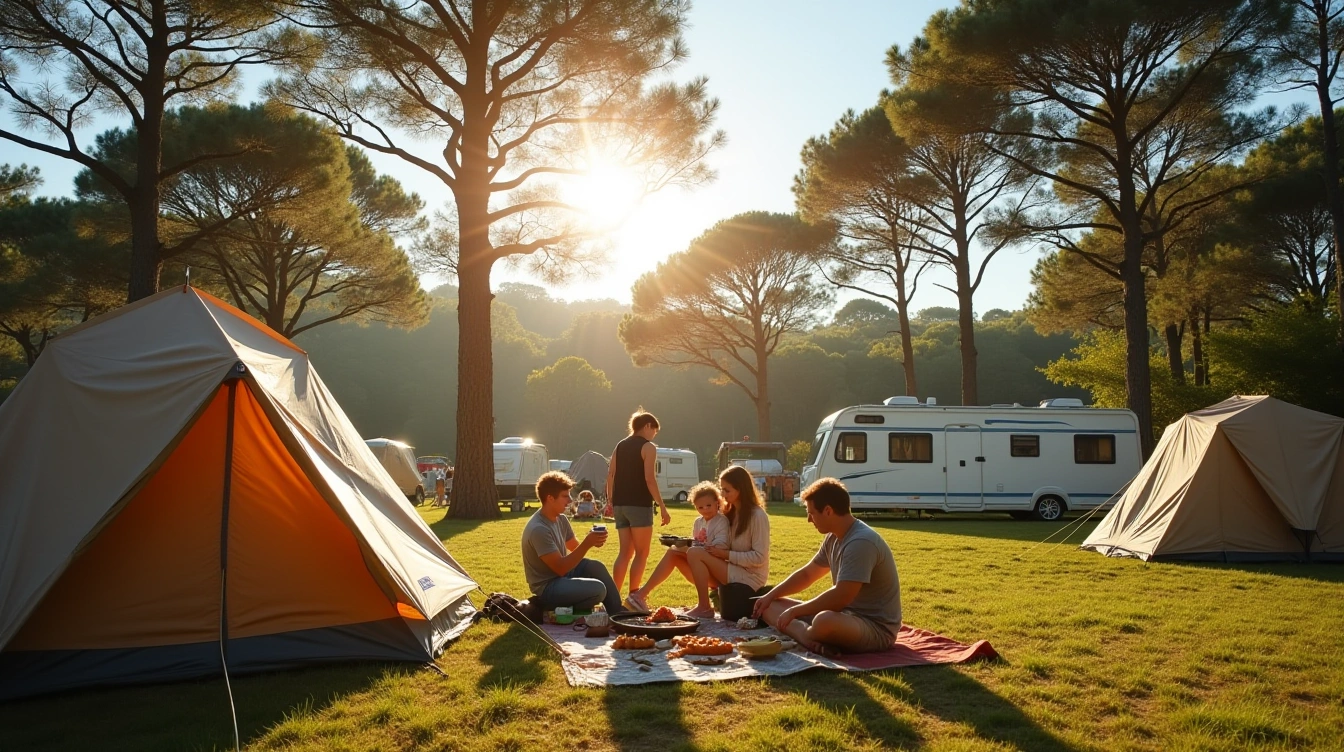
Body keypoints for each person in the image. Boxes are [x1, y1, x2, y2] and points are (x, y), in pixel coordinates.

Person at [753, 478, 901, 655]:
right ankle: (812, 637)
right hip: (844, 615)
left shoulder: (861, 541)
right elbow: (808, 574)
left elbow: (841, 596)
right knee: (768, 606)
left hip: (874, 628)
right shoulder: (833, 537)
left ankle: (806, 637)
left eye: (812, 513)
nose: (809, 520)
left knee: (824, 621)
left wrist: (795, 612)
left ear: (828, 511)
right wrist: (771, 595)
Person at [521, 471, 623, 615]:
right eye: (565, 496)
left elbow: (574, 547)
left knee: (595, 567)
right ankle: (553, 609)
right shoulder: (539, 529)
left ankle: (617, 611)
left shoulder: (561, 519)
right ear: (550, 498)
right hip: (548, 587)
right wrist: (587, 543)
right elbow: (560, 568)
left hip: (562, 575)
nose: (569, 501)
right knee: (598, 590)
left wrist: (593, 540)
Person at [682, 465, 771, 619]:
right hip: (730, 568)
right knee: (675, 553)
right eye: (721, 489)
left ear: (741, 489)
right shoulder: (730, 513)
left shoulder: (757, 516)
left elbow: (759, 557)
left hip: (749, 578)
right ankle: (639, 596)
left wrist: (725, 554)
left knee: (695, 553)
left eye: (726, 490)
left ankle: (704, 607)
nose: (721, 495)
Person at [625, 482, 730, 612]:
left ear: (717, 502)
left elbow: (721, 546)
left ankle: (704, 607)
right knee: (672, 553)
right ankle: (640, 595)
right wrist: (683, 545)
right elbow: (696, 543)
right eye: (700, 507)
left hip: (717, 572)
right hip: (701, 567)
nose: (705, 510)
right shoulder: (698, 522)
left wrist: (694, 546)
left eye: (708, 505)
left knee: (688, 551)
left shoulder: (721, 521)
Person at [606, 408, 671, 603]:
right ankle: (634, 596)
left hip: (620, 505)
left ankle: (614, 598)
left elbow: (611, 474)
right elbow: (649, 479)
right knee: (642, 552)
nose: (654, 435)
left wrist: (610, 501)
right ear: (648, 426)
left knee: (624, 552)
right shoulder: (649, 447)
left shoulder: (620, 445)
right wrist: (662, 507)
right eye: (654, 430)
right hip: (639, 506)